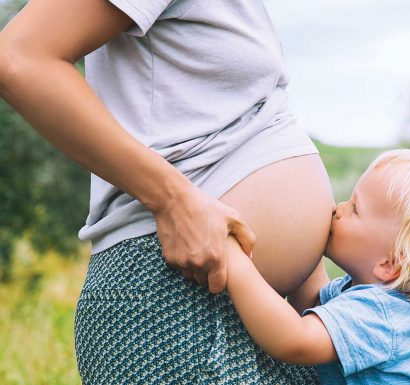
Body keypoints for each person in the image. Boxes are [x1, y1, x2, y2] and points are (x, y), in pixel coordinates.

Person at [0, 0, 334, 383]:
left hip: (261, 317)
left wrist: (310, 277)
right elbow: (21, 58)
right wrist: (173, 199)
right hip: (174, 299)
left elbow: (249, 125)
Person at [224, 149, 410, 384]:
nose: (339, 209)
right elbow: (311, 303)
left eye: (355, 208)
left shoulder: (382, 316)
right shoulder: (374, 298)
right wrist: (305, 233)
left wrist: (234, 260)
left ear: (389, 264)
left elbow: (295, 341)